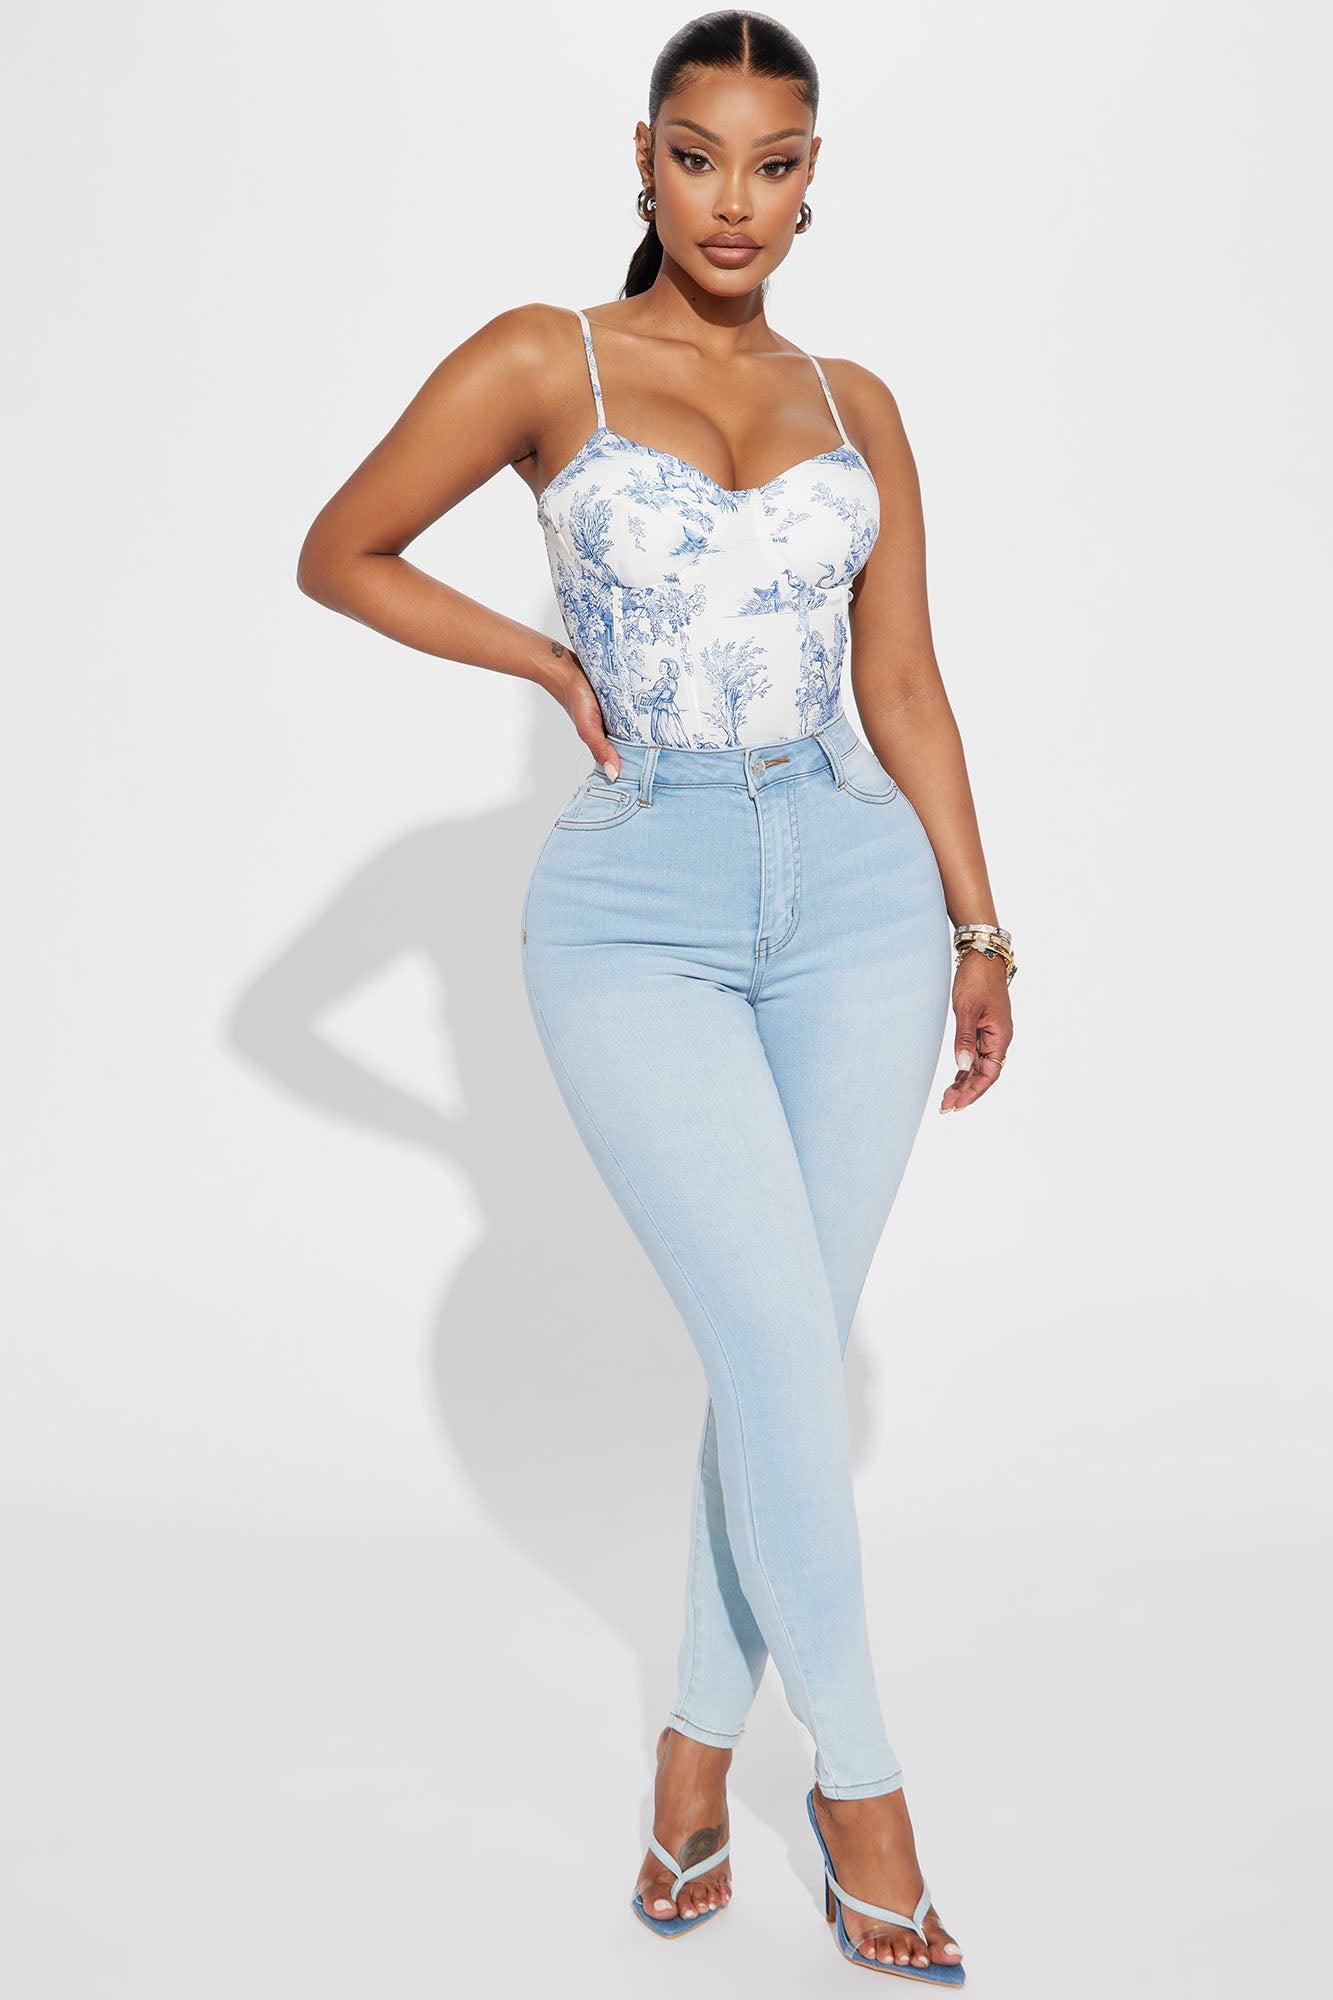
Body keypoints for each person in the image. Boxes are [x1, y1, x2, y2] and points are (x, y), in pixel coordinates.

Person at [297, 10, 1015, 1981]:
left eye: (772, 164)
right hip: (636, 903)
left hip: (857, 894)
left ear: (810, 180)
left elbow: (904, 684)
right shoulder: (551, 358)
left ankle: (695, 1748)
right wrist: (545, 663)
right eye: (698, 157)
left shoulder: (857, 401)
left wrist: (978, 927)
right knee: (782, 1355)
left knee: (784, 1353)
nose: (732, 202)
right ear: (642, 159)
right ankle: (859, 1792)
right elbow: (341, 551)